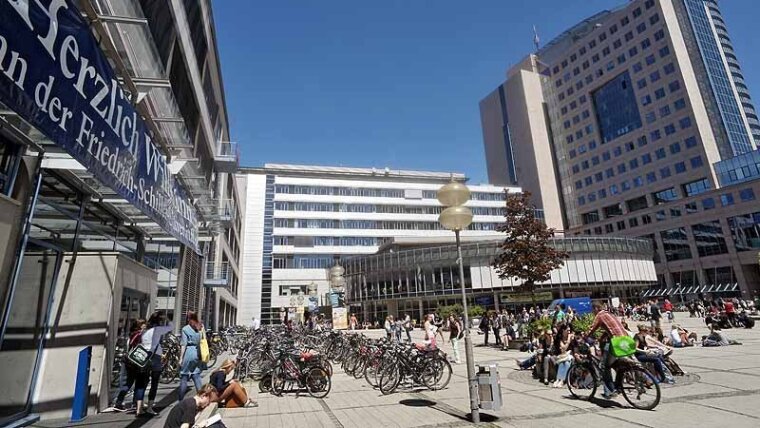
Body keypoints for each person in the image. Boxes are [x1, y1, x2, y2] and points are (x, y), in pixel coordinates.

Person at [588, 302, 630, 399]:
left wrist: (584, 337)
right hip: (626, 339)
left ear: (596, 308)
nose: (592, 312)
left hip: (617, 341)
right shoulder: (609, 314)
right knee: (619, 364)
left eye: (593, 310)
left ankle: (610, 391)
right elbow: (610, 328)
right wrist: (601, 338)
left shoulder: (600, 315)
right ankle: (618, 386)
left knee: (603, 366)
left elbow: (592, 329)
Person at [113, 318, 149, 416]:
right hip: (136, 362)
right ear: (140, 325)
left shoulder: (133, 333)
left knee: (129, 382)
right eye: (143, 324)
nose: (145, 325)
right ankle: (134, 403)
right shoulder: (139, 335)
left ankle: (119, 402)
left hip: (129, 362)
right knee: (137, 383)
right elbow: (140, 347)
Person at [141, 312, 172, 415]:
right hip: (155, 357)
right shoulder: (157, 330)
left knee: (143, 383)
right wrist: (167, 319)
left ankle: (139, 406)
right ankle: (150, 407)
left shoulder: (144, 330)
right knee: (154, 383)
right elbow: (170, 327)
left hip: (144, 356)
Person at [179, 311, 204, 401]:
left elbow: (183, 345)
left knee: (184, 377)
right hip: (198, 352)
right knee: (196, 376)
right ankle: (202, 397)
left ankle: (180, 400)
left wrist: (181, 358)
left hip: (189, 352)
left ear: (188, 319)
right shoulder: (200, 327)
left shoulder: (185, 329)